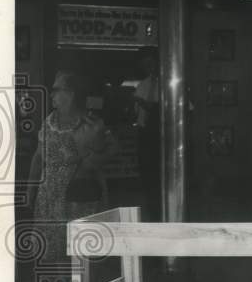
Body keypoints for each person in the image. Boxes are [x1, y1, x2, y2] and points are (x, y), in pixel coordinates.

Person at [26, 70, 119, 265]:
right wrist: (30, 192)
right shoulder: (49, 122)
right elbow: (37, 157)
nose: (51, 95)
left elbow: (111, 150)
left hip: (79, 196)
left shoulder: (90, 123)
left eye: (56, 90)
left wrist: (89, 162)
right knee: (54, 251)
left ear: (71, 93)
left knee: (81, 252)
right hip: (50, 198)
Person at [133, 50, 161, 221]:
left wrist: (146, 105)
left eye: (151, 63)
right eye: (146, 65)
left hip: (160, 134)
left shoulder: (168, 84)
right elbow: (137, 115)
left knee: (158, 173)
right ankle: (151, 208)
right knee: (147, 172)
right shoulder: (142, 85)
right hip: (144, 133)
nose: (149, 68)